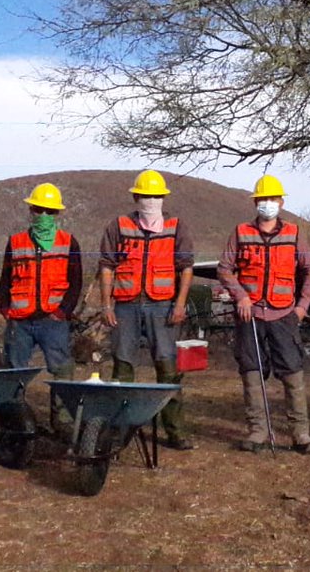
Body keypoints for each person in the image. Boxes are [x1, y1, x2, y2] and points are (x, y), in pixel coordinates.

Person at [218, 175, 310, 454]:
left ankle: (301, 434)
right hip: (249, 316)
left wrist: (302, 307)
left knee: (293, 373)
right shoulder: (240, 232)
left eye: (272, 199)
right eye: (263, 199)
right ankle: (258, 431)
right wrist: (240, 295)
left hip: (284, 314)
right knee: (251, 372)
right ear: (255, 202)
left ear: (281, 202)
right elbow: (224, 268)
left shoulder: (295, 233)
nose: (268, 204)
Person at [98, 170, 195, 450]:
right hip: (126, 306)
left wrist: (179, 304)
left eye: (155, 196)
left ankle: (175, 432)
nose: (150, 200)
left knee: (168, 370)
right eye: (145, 195)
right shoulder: (118, 226)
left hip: (163, 307)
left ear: (163, 198)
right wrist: (106, 305)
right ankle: (118, 432)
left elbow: (186, 268)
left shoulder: (177, 227)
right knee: (122, 368)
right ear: (135, 197)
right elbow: (106, 266)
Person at [0, 183, 83, 433]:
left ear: (57, 214)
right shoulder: (16, 242)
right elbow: (5, 279)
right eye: (39, 209)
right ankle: (14, 422)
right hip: (20, 321)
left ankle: (63, 423)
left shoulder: (69, 243)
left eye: (49, 211)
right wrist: (5, 309)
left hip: (53, 321)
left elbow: (75, 282)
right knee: (15, 372)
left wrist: (62, 312)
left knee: (62, 371)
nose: (43, 215)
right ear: (31, 210)